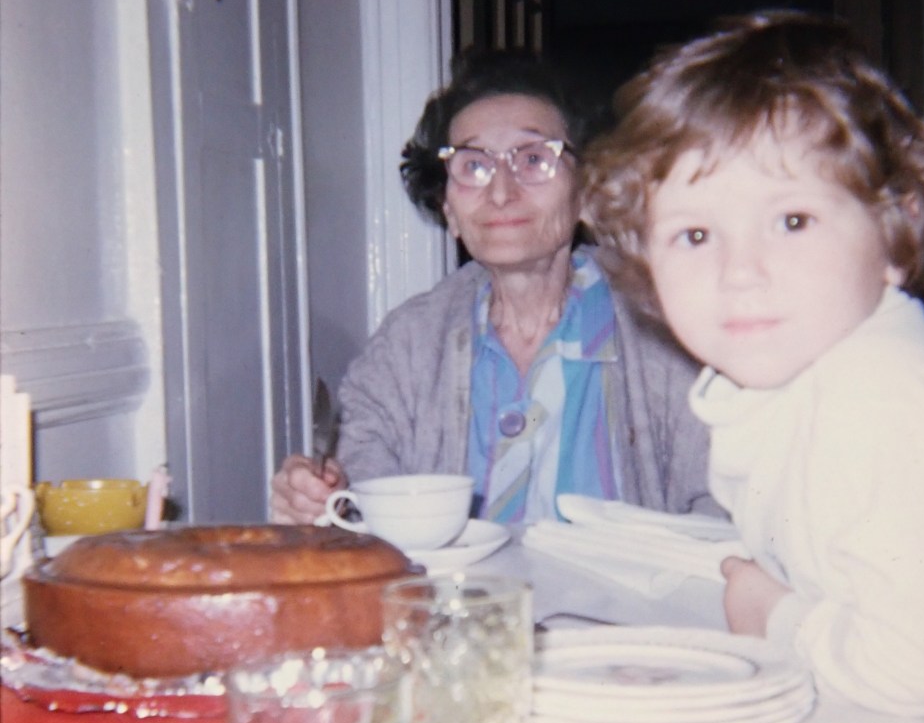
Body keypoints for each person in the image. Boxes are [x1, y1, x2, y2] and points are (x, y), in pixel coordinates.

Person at [583, 11, 924, 723]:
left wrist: (778, 619)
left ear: (893, 235)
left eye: (792, 219)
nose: (740, 270)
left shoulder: (881, 395)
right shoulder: (796, 379)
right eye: (694, 234)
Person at [271, 49, 717, 525]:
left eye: (533, 159)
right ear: (448, 209)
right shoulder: (407, 346)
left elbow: (727, 508)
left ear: (585, 192)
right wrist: (315, 501)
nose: (501, 191)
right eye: (473, 166)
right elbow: (361, 506)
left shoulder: (667, 326)